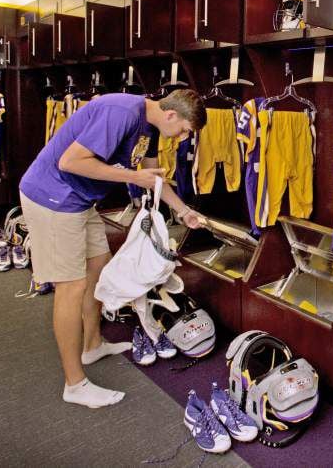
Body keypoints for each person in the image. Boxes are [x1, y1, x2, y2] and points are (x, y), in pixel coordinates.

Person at [19, 89, 207, 408]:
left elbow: (153, 179)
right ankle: (74, 384)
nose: (183, 137)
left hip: (80, 201)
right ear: (172, 115)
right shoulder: (121, 112)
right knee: (72, 286)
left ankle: (91, 345)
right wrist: (133, 175)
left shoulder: (150, 124)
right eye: (186, 130)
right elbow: (71, 160)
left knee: (99, 269)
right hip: (53, 197)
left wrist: (183, 210)